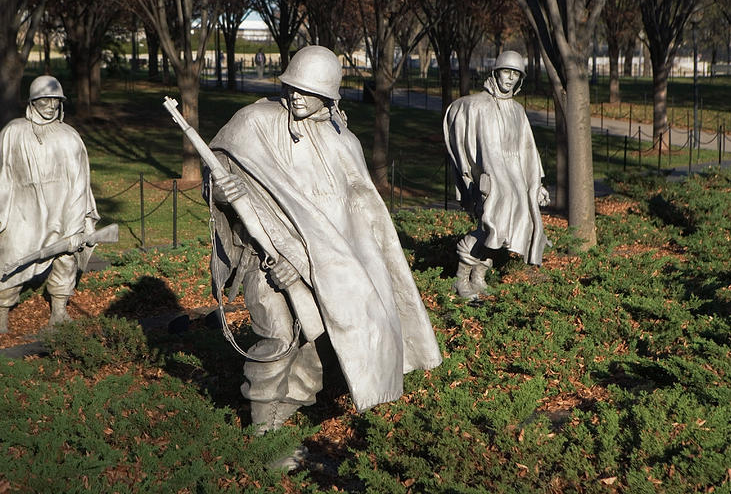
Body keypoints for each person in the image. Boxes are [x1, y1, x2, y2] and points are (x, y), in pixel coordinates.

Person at [206, 45, 443, 443]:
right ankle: (262, 433)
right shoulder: (254, 123)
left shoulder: (343, 141)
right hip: (264, 258)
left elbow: (359, 217)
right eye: (292, 86)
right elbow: (216, 183)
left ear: (329, 96)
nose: (296, 96)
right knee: (280, 335)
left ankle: (282, 415)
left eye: (307, 90)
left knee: (317, 344)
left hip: (325, 269)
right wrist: (224, 193)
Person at [0, 75, 99, 333]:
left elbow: (79, 185)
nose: (51, 105)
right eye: (45, 99)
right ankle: (2, 309)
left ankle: (59, 311)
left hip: (61, 213)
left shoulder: (69, 137)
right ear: (33, 102)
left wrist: (75, 226)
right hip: (23, 212)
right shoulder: (13, 133)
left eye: (56, 99)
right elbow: (1, 177)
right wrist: (0, 211)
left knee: (66, 259)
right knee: (12, 256)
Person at [443, 50, 550, 301]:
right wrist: (470, 178)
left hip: (516, 180)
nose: (510, 78)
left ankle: (478, 276)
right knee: (490, 224)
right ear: (495, 72)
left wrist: (538, 185)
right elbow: (465, 141)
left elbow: (528, 151)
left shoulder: (518, 111)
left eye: (515, 74)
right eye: (506, 72)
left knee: (506, 230)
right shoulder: (477, 105)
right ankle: (461, 277)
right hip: (490, 179)